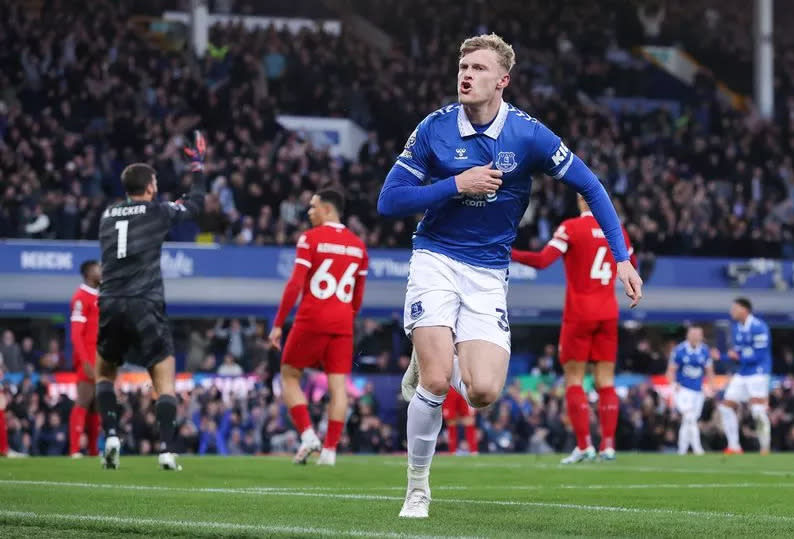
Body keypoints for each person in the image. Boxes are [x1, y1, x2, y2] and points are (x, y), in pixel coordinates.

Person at [377, 33, 643, 518]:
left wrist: (621, 255)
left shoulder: (529, 135)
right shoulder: (435, 128)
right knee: (436, 383)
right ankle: (417, 488)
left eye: (478, 68)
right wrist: (455, 184)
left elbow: (590, 185)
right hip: (436, 257)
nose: (466, 73)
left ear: (502, 80)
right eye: (462, 64)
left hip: (489, 271)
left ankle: (428, 357)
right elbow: (388, 200)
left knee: (482, 393)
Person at [95, 131, 209, 471]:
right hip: (145, 301)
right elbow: (196, 204)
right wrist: (198, 167)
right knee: (164, 378)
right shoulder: (157, 211)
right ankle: (166, 450)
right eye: (155, 182)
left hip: (110, 301)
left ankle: (112, 436)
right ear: (149, 186)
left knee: (105, 374)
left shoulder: (107, 214)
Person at [512, 193, 635, 463]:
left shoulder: (571, 228)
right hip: (608, 311)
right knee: (606, 381)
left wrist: (509, 252)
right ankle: (609, 445)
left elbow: (543, 261)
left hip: (579, 312)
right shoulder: (618, 231)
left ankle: (584, 445)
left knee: (574, 379)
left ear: (580, 199)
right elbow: (632, 268)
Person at [269, 189, 368, 466]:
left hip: (311, 317)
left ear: (327, 209)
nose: (308, 212)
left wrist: (278, 325)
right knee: (339, 387)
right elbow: (357, 298)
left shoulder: (310, 239)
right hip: (342, 322)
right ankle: (330, 451)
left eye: (312, 207)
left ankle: (308, 434)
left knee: (289, 375)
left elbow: (295, 284)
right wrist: (345, 318)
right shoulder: (358, 246)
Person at [715, 298, 772, 455]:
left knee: (757, 411)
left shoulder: (759, 327)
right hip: (743, 372)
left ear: (744, 310)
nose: (731, 311)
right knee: (725, 407)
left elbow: (759, 355)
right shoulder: (737, 328)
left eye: (735, 308)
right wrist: (722, 357)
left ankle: (765, 447)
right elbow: (737, 354)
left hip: (758, 372)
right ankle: (734, 446)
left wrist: (737, 357)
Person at [68, 259, 102, 458]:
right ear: (89, 274)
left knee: (96, 404)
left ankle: (92, 450)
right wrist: (85, 362)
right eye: (98, 269)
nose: (101, 272)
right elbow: (76, 335)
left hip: (100, 360)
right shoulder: (81, 297)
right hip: (87, 361)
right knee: (83, 400)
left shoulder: (99, 296)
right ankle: (74, 450)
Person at [666, 326, 714, 455]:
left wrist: (710, 387)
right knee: (689, 417)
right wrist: (673, 383)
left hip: (698, 391)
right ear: (688, 335)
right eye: (693, 334)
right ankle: (698, 449)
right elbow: (671, 370)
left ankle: (682, 450)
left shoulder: (704, 350)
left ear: (701, 336)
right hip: (683, 390)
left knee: (689, 420)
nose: (695, 337)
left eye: (698, 334)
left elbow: (709, 371)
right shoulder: (679, 350)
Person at [443, 386, 477, 454]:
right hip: (450, 387)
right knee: (451, 421)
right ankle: (452, 451)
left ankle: (473, 451)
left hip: (465, 386)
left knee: (469, 420)